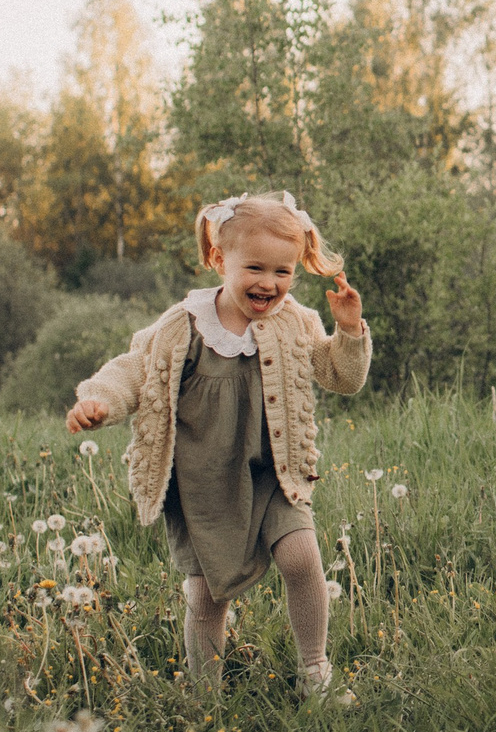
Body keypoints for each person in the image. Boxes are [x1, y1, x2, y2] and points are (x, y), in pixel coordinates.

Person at [67, 194, 368, 700]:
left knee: (302, 559)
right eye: (254, 267)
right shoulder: (184, 325)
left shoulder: (295, 322)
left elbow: (343, 377)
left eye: (283, 271)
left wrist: (349, 329)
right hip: (204, 484)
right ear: (217, 260)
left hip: (275, 472)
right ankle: (204, 695)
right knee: (207, 596)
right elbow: (135, 370)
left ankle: (315, 671)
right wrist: (98, 400)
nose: (269, 284)